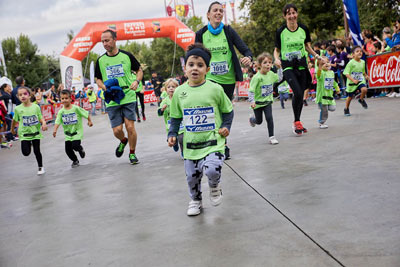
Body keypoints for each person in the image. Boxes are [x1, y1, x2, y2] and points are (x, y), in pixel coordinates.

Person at [167, 43, 234, 216]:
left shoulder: (215, 89)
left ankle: (214, 186)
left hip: (213, 142)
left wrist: (226, 126)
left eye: (200, 65)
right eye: (191, 65)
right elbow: (175, 116)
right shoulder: (180, 92)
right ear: (185, 68)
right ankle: (195, 200)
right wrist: (172, 133)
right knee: (192, 177)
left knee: (212, 169)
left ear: (207, 69)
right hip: (191, 145)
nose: (195, 68)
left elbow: (228, 111)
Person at [195, 1, 252, 159]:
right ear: (208, 14)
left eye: (221, 11)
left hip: (228, 79)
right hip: (210, 79)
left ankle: (221, 138)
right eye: (215, 11)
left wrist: (248, 57)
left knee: (225, 110)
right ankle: (222, 144)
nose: (218, 13)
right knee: (213, 110)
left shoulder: (228, 31)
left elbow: (244, 48)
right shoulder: (201, 33)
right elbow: (196, 54)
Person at [95, 29, 143, 164]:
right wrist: (104, 87)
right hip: (111, 97)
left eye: (107, 40)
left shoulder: (126, 56)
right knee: (117, 130)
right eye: (102, 41)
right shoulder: (101, 60)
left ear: (115, 40)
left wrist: (136, 81)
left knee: (130, 127)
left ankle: (132, 153)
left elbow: (139, 70)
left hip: (127, 94)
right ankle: (123, 141)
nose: (105, 44)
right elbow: (97, 79)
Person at [274, 3, 321, 136]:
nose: (292, 16)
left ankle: (297, 121)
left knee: (299, 94)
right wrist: (276, 59)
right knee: (298, 93)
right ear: (284, 16)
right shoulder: (281, 31)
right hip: (288, 66)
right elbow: (276, 50)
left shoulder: (303, 29)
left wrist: (317, 56)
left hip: (302, 65)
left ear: (297, 14)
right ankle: (296, 122)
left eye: (294, 13)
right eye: (288, 14)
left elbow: (307, 46)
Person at [11, 86, 47, 175]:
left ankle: (40, 167)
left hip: (35, 133)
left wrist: (44, 123)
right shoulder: (17, 109)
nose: (22, 96)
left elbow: (40, 117)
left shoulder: (35, 107)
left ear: (30, 95)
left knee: (37, 151)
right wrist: (12, 129)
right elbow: (14, 120)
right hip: (24, 134)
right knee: (26, 153)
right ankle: (28, 143)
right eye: (20, 95)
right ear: (18, 97)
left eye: (25, 94)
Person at [53, 90, 93, 167]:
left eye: (66, 98)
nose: (64, 100)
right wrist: (55, 130)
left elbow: (86, 113)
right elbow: (57, 121)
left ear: (70, 99)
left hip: (77, 132)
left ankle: (80, 149)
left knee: (75, 146)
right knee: (68, 150)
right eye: (62, 99)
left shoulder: (76, 108)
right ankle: (75, 160)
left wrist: (89, 121)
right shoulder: (61, 112)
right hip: (68, 134)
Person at [248, 52, 279, 145]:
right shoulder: (256, 77)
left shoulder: (271, 74)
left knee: (269, 118)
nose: (268, 64)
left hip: (267, 102)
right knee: (259, 121)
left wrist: (280, 68)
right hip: (257, 103)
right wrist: (252, 101)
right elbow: (251, 90)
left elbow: (279, 78)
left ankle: (272, 137)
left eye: (270, 62)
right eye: (265, 62)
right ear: (259, 65)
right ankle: (252, 120)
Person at [158, 78, 183, 154]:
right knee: (172, 138)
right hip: (170, 123)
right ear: (166, 89)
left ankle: (183, 151)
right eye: (169, 87)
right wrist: (162, 109)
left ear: (177, 88)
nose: (171, 89)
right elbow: (159, 113)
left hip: (180, 122)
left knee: (182, 138)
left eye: (173, 87)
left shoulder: (180, 99)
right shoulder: (165, 100)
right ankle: (175, 144)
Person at [343, 46, 369, 116]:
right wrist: (353, 80)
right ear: (353, 54)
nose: (360, 52)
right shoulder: (351, 63)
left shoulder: (363, 62)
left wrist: (366, 76)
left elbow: (363, 71)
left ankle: (361, 100)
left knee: (364, 89)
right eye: (357, 51)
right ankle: (346, 108)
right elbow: (346, 73)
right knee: (350, 97)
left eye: (360, 51)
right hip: (352, 82)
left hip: (360, 80)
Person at [315, 57, 340, 129]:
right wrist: (319, 66)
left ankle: (323, 108)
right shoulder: (321, 73)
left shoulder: (331, 72)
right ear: (320, 66)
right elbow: (318, 74)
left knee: (333, 108)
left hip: (329, 95)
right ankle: (321, 122)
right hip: (322, 96)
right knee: (325, 111)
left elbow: (334, 82)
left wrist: (337, 88)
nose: (326, 64)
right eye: (323, 63)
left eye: (327, 62)